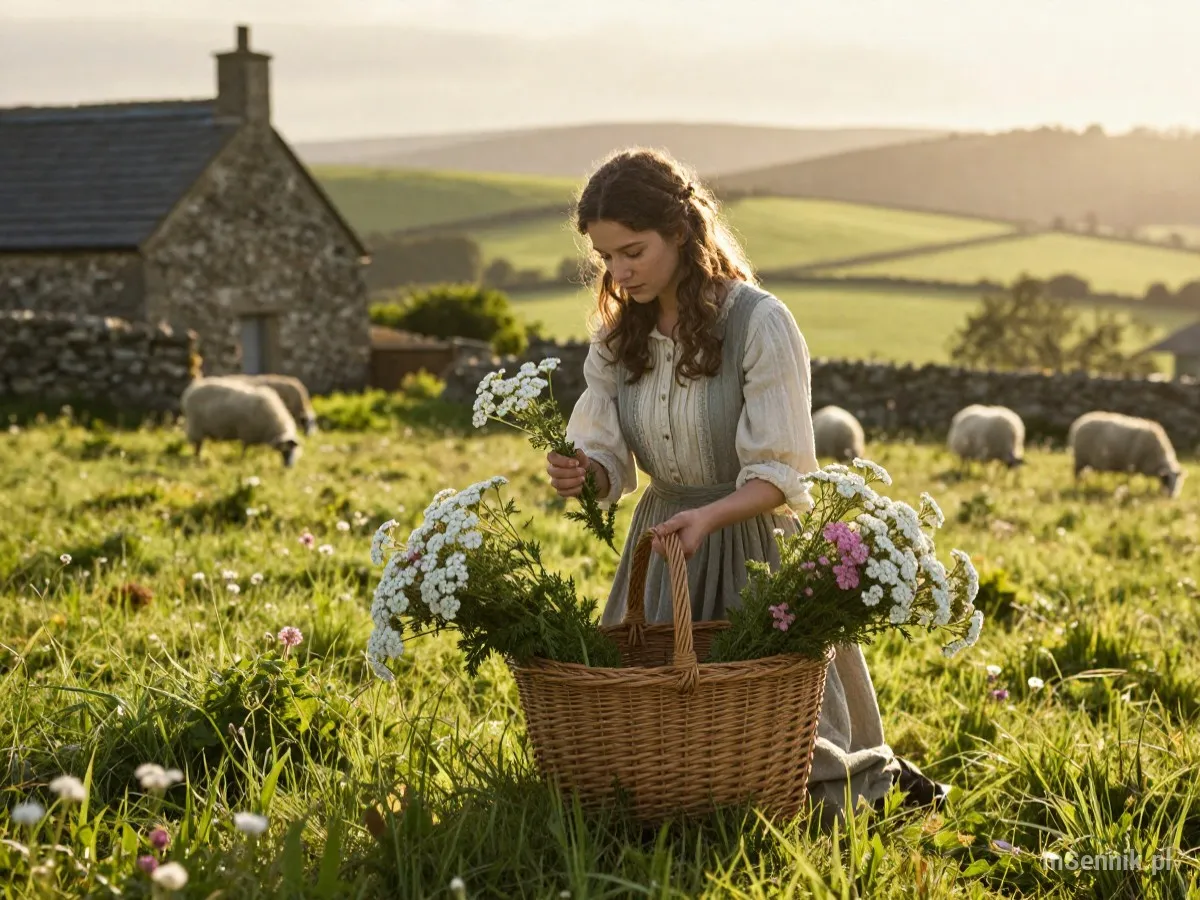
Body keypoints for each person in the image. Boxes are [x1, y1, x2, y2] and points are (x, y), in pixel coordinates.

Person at [544, 147, 949, 824]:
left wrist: (711, 518)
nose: (619, 272)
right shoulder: (619, 340)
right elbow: (605, 454)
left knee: (785, 759)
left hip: (753, 545)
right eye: (607, 257)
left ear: (679, 231)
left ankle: (884, 784)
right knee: (648, 749)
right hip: (664, 550)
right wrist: (583, 472)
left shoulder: (759, 323)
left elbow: (783, 472)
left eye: (633, 251)